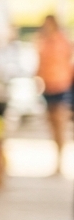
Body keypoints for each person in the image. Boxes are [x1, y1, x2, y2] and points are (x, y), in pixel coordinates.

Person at [37, 15, 72, 176]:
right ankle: (56, 159)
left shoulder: (62, 40)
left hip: (61, 84)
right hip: (47, 86)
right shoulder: (42, 41)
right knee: (51, 124)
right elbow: (40, 62)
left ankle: (60, 161)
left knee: (59, 123)